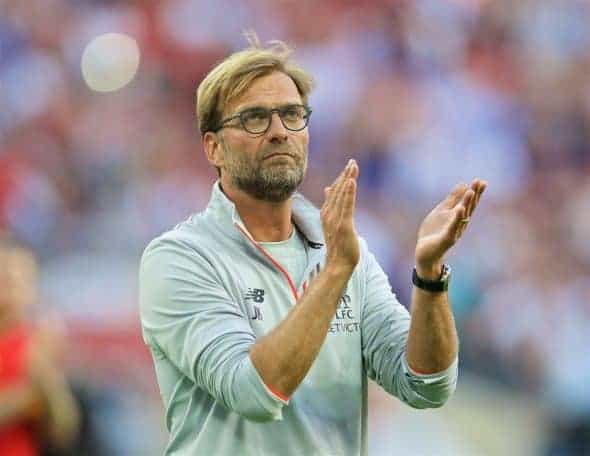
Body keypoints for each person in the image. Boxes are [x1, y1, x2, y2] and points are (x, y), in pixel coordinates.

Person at [139, 36, 487, 455]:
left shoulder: (343, 250)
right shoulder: (180, 258)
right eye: (254, 119)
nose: (279, 132)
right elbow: (254, 392)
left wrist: (429, 277)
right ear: (213, 147)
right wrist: (334, 274)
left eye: (292, 115)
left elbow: (426, 385)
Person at [0, 237, 80, 456]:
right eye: (6, 277)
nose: (12, 289)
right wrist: (26, 397)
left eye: (21, 280)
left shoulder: (36, 344)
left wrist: (46, 379)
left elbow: (64, 427)